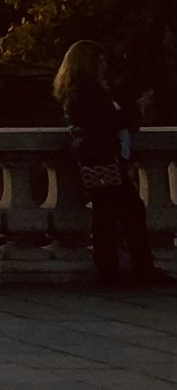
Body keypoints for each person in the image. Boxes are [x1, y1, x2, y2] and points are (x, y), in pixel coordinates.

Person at [58, 41, 167, 291]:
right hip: (103, 158)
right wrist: (138, 109)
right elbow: (108, 121)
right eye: (100, 60)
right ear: (88, 62)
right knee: (129, 211)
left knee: (107, 214)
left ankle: (113, 269)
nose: (104, 64)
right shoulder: (86, 91)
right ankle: (137, 268)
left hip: (97, 157)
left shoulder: (78, 90)